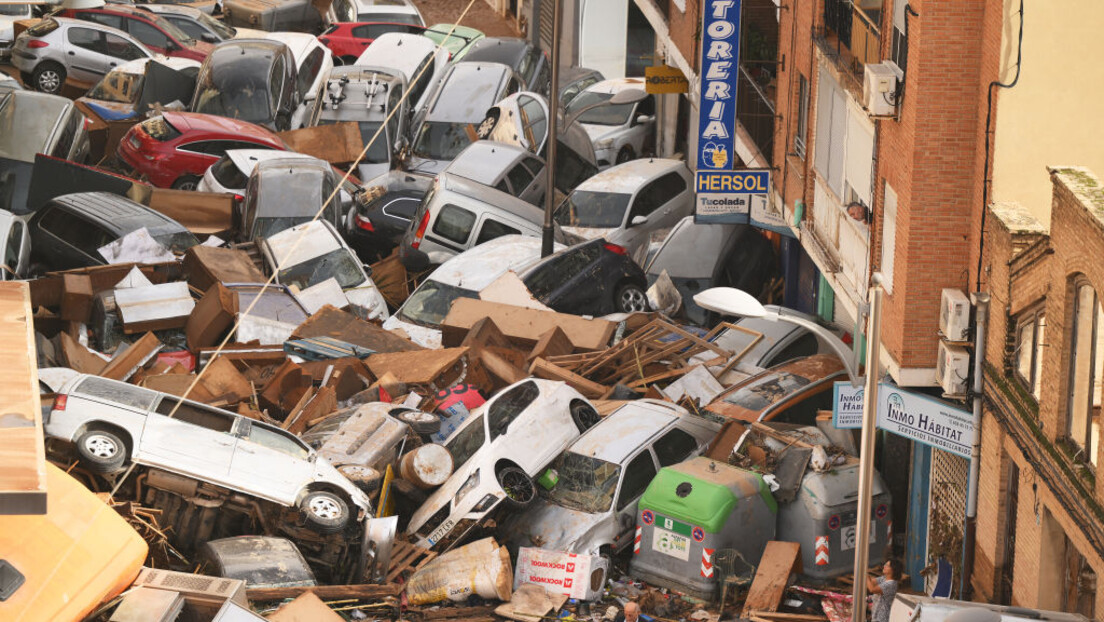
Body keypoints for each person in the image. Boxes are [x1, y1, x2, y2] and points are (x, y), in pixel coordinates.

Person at [867, 558, 902, 622]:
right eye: (885, 564)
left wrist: (865, 576)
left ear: (893, 569)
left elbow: (872, 589)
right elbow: (871, 582)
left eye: (887, 565)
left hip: (882, 618)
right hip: (876, 615)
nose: (884, 566)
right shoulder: (884, 578)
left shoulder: (891, 584)